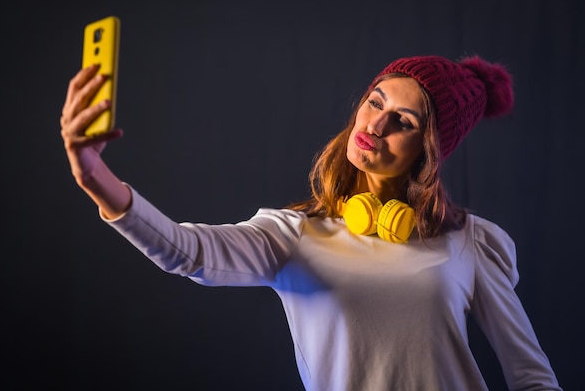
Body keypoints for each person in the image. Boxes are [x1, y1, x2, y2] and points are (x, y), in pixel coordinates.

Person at [60, 54, 563, 391]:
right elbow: (185, 252)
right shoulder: (293, 235)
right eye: (376, 101)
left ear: (428, 153)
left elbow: (533, 377)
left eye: (404, 122)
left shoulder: (469, 241)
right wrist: (94, 175)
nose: (376, 125)